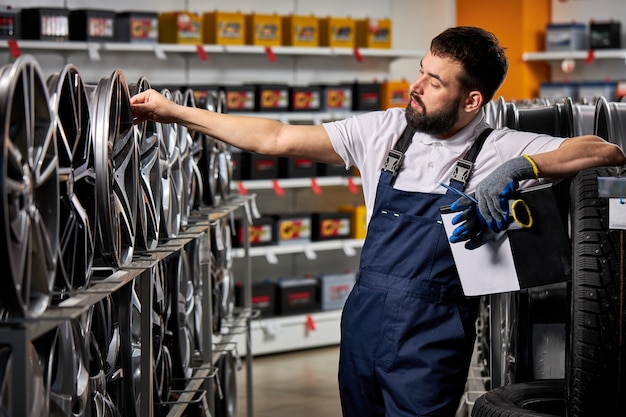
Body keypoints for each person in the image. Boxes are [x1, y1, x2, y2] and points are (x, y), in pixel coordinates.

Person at [131, 26, 626, 417]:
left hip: (434, 335)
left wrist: (524, 167)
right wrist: (174, 112)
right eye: (421, 71)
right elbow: (276, 137)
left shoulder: (500, 146)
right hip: (364, 320)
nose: (416, 86)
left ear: (472, 100)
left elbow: (607, 150)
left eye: (434, 82)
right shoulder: (385, 131)